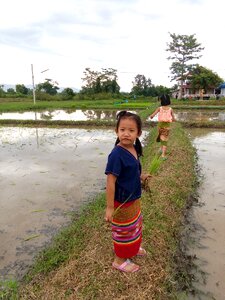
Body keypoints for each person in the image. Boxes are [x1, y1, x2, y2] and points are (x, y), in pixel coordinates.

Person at [105, 111, 150, 273]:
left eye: (131, 131)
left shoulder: (133, 149)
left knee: (135, 226)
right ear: (116, 131)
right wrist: (110, 207)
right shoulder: (116, 155)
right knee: (124, 232)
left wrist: (141, 177)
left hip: (133, 199)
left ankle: (133, 249)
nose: (126, 134)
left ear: (138, 133)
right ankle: (119, 260)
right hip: (122, 202)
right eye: (122, 129)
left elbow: (131, 173)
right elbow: (111, 182)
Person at [150, 94, 175, 160]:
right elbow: (173, 117)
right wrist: (174, 120)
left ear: (161, 101)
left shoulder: (159, 108)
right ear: (169, 101)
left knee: (161, 137)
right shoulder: (170, 109)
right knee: (165, 139)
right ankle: (163, 154)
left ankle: (162, 151)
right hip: (167, 127)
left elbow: (153, 114)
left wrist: (151, 116)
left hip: (160, 126)